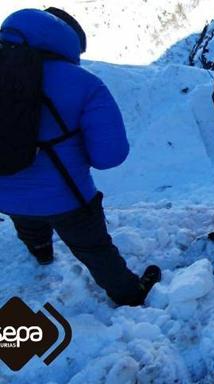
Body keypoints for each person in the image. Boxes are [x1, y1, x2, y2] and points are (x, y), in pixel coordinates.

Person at [0, 9, 160, 307]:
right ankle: (129, 293)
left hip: (4, 193)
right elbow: (109, 156)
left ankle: (41, 251)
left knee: (26, 218)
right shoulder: (84, 84)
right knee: (95, 249)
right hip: (67, 198)